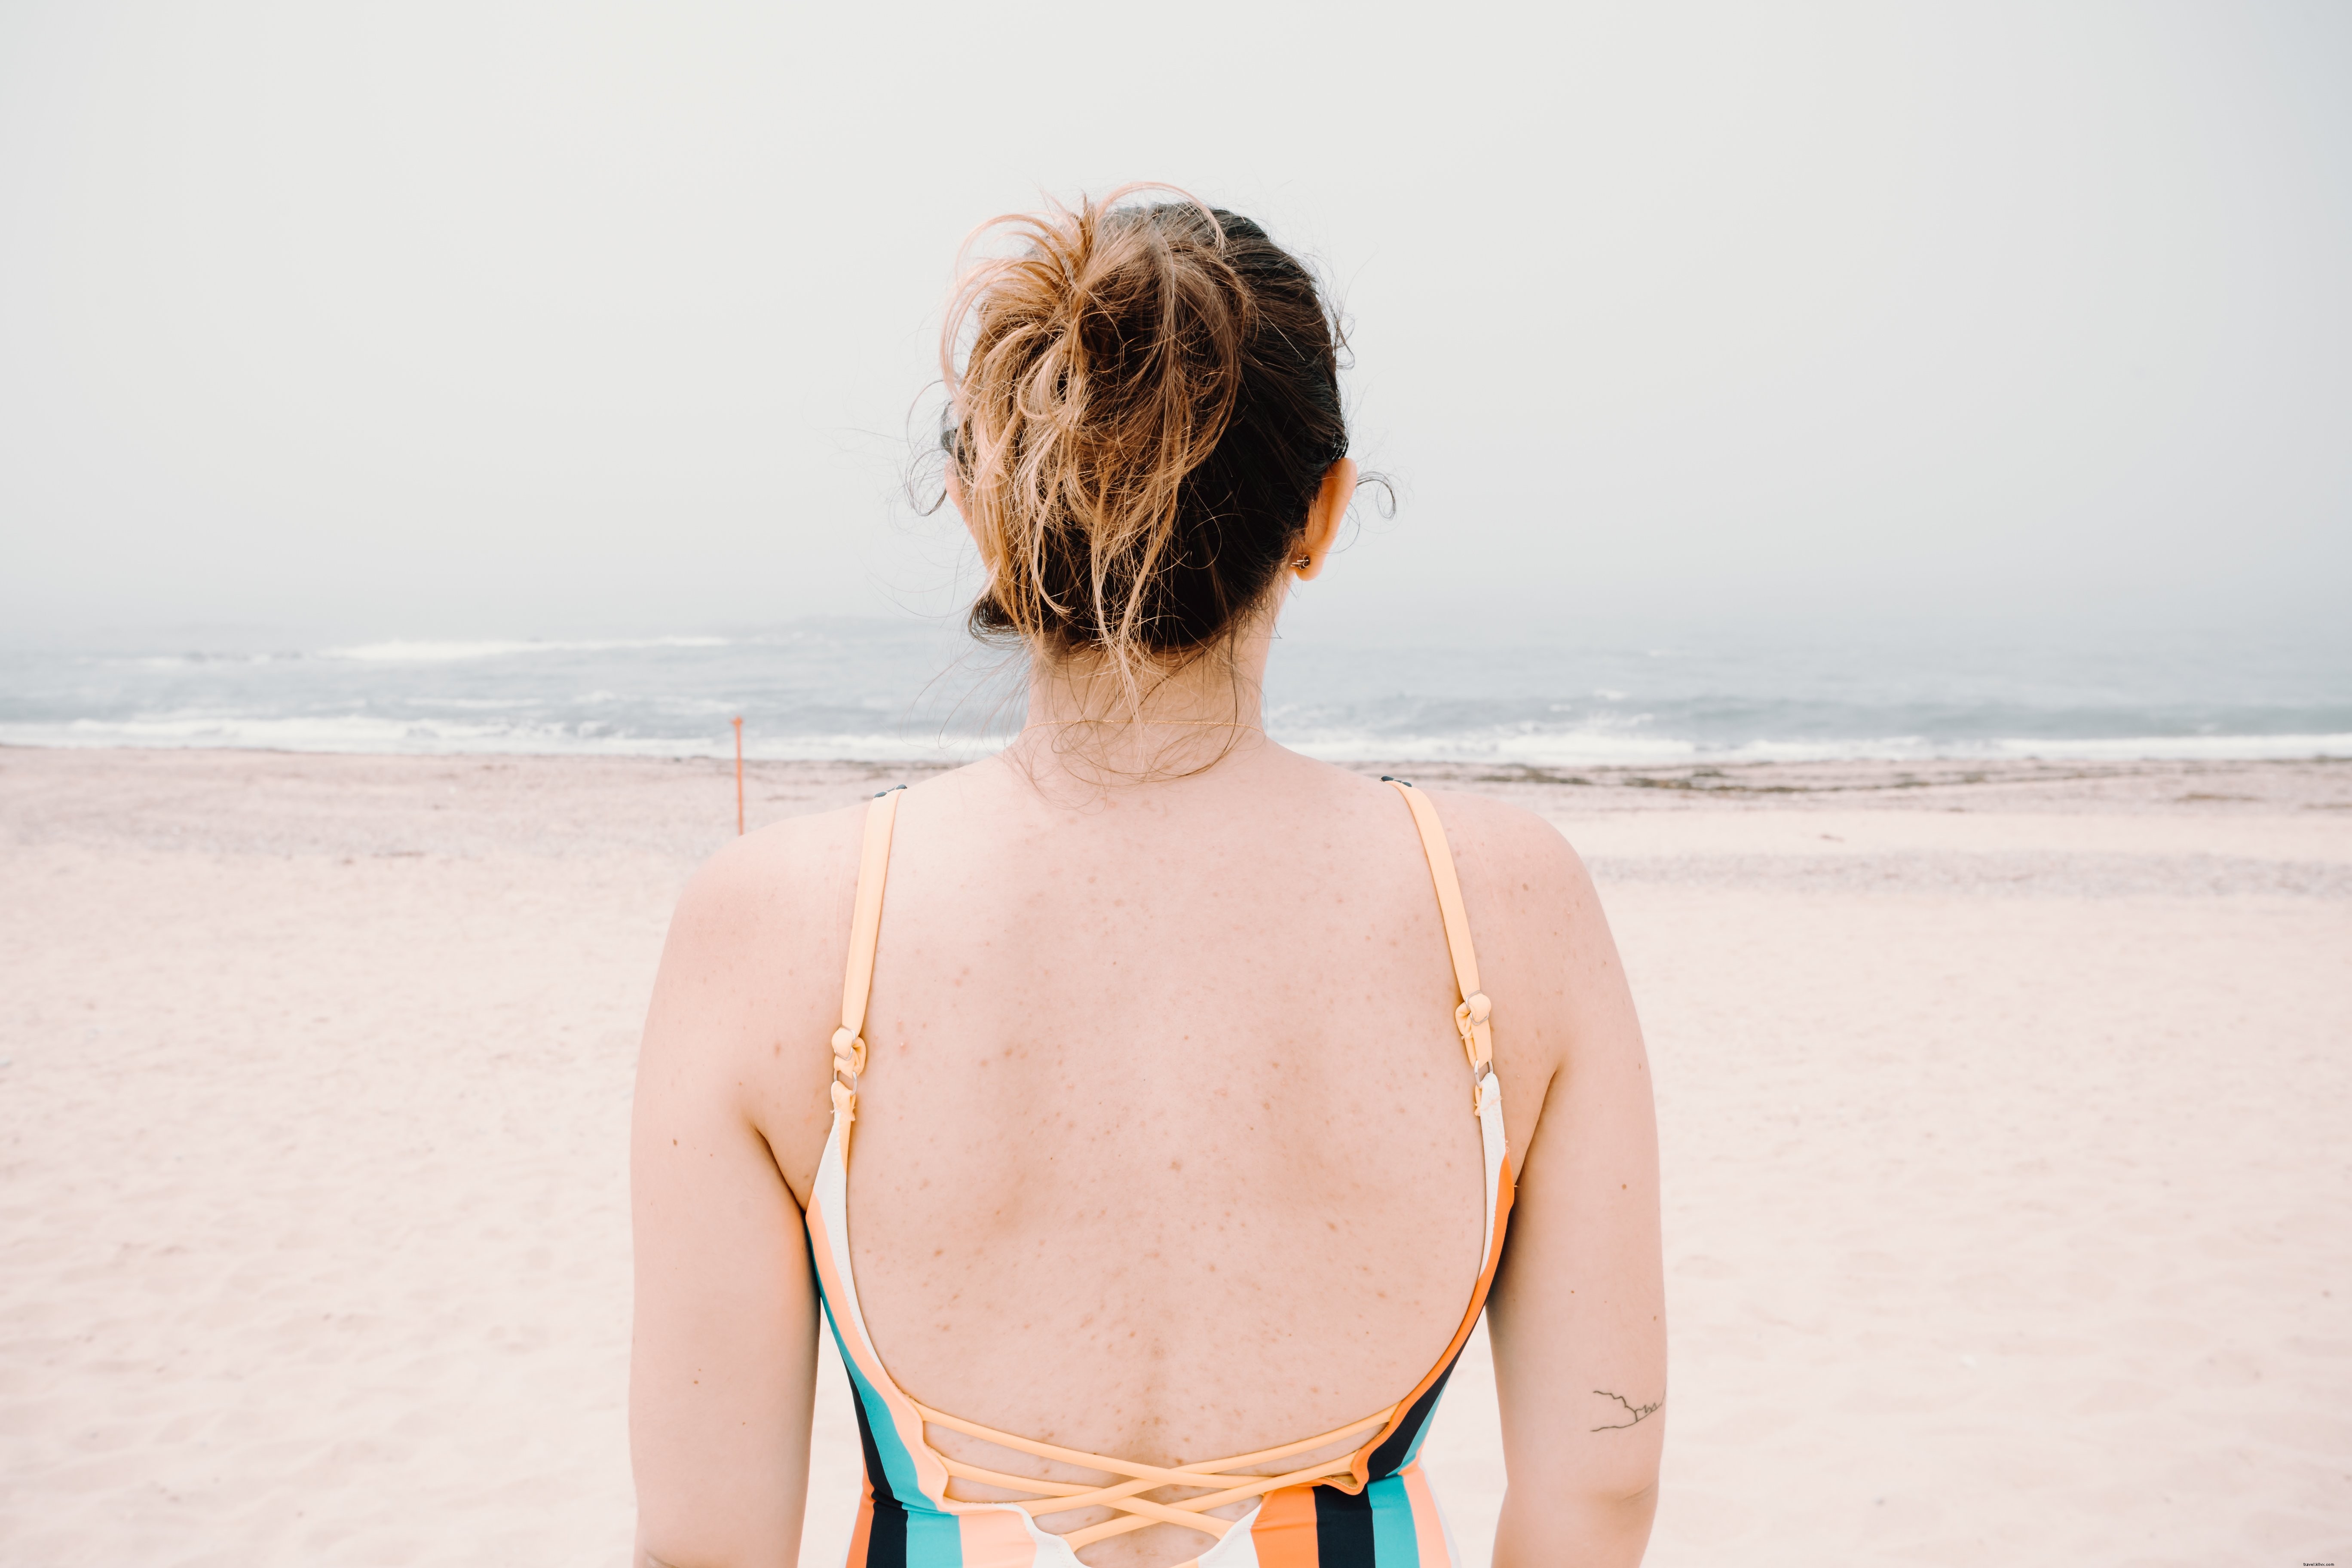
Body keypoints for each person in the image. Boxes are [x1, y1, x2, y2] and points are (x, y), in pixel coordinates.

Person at [629, 188, 1665, 1568]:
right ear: (1324, 510)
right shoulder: (1510, 908)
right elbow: (1603, 1489)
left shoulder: (772, 928)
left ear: (986, 515)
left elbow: (707, 1544)